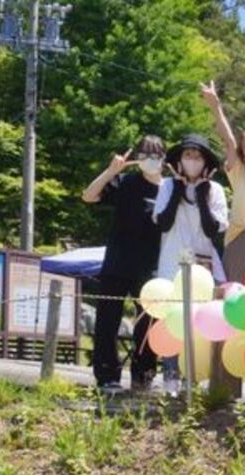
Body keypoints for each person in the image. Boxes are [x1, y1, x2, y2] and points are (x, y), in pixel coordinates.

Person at [81, 135, 165, 392]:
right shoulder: (127, 182)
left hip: (150, 268)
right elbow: (89, 196)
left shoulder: (170, 189)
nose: (150, 159)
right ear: (137, 159)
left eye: (155, 154)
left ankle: (144, 374)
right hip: (117, 263)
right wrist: (110, 171)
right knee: (107, 321)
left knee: (149, 322)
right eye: (144, 154)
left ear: (164, 157)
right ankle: (107, 376)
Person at [153, 134, 229, 395]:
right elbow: (163, 222)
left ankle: (198, 379)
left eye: (198, 157)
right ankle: (171, 380)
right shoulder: (166, 186)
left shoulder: (216, 190)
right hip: (171, 264)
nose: (192, 161)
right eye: (188, 156)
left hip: (204, 268)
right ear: (179, 160)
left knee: (202, 323)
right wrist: (177, 188)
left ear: (206, 162)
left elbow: (212, 229)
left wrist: (201, 191)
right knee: (173, 322)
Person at [200, 80, 245, 283]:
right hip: (240, 239)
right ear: (244, 156)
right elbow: (229, 141)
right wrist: (215, 105)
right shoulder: (240, 173)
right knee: (237, 296)